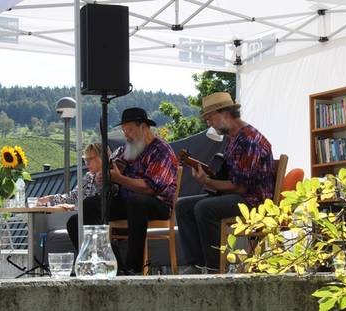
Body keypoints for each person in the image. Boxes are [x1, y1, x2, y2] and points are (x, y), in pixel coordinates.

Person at [66, 107, 178, 274]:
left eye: (130, 129)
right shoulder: (127, 149)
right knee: (84, 210)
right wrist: (103, 176)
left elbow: (150, 188)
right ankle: (108, 264)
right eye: (124, 130)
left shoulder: (161, 150)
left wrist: (119, 178)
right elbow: (113, 169)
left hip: (157, 204)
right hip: (128, 201)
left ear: (143, 127)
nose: (126, 134)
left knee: (137, 201)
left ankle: (134, 268)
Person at [176, 92, 275, 274]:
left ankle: (216, 268)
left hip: (254, 201)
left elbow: (240, 186)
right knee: (182, 206)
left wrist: (207, 181)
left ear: (224, 113)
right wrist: (206, 174)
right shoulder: (232, 137)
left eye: (210, 117)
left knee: (205, 208)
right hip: (236, 195)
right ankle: (197, 265)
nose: (208, 122)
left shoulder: (250, 141)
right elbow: (226, 174)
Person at [37, 143, 110, 210]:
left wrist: (75, 207)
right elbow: (74, 196)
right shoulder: (89, 176)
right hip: (87, 218)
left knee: (71, 221)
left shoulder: (112, 176)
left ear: (102, 157)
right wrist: (51, 198)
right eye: (85, 159)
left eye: (90, 159)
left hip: (101, 219)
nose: (87, 163)